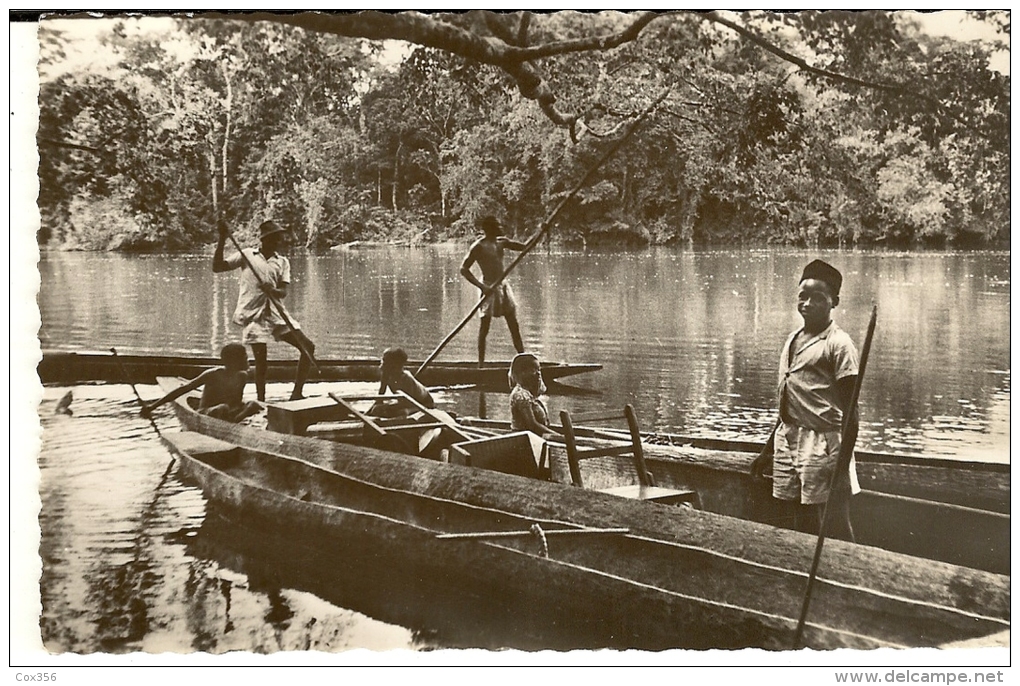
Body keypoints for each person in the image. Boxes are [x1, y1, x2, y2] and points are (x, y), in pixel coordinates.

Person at [751, 259, 861, 541]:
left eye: (817, 298)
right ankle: (803, 570)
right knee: (799, 515)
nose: (807, 304)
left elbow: (852, 413)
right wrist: (767, 452)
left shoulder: (839, 344)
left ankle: (847, 572)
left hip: (823, 444)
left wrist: (841, 469)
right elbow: (787, 403)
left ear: (834, 301)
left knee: (834, 519)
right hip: (788, 438)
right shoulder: (792, 340)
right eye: (803, 296)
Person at [213, 219, 316, 402]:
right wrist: (222, 238)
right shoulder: (247, 255)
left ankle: (296, 394)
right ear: (264, 240)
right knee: (261, 363)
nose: (278, 242)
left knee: (308, 347)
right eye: (274, 239)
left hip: (276, 314)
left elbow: (283, 292)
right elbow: (218, 267)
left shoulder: (282, 262)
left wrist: (272, 290)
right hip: (253, 315)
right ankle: (261, 401)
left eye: (279, 239)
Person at [460, 215, 526, 363]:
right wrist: (482, 287)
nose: (500, 228)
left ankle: (524, 359)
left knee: (513, 324)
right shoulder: (478, 246)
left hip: (503, 286)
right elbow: (464, 269)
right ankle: (481, 365)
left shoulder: (502, 242)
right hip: (488, 286)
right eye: (497, 226)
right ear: (489, 229)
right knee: (484, 328)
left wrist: (542, 231)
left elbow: (525, 246)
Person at [140, 343, 262, 423]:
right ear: (234, 362)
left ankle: (235, 422)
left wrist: (245, 408)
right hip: (207, 412)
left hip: (229, 413)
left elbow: (235, 401)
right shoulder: (213, 374)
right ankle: (233, 423)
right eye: (245, 358)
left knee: (254, 404)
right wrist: (152, 407)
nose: (248, 360)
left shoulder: (242, 376)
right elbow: (184, 389)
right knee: (223, 408)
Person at [369, 347, 435, 418]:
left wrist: (389, 407)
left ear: (395, 365)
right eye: (383, 360)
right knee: (376, 409)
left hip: (423, 404)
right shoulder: (386, 374)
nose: (382, 364)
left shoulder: (406, 379)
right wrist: (368, 413)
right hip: (405, 402)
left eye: (385, 361)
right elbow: (380, 396)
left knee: (403, 412)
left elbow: (408, 403)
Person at [508, 352, 557, 440]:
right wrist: (558, 436)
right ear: (522, 372)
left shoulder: (530, 393)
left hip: (535, 438)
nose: (538, 373)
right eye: (533, 370)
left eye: (538, 369)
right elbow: (532, 424)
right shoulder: (520, 395)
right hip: (524, 440)